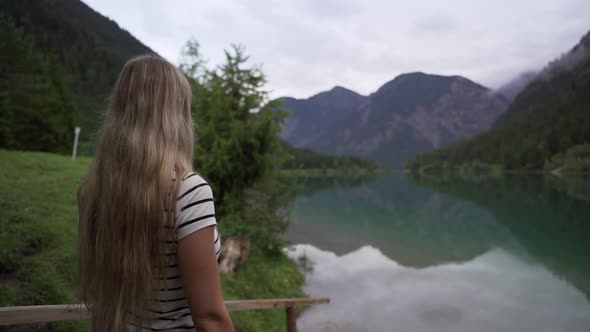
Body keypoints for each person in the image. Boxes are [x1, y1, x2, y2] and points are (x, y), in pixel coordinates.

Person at [77, 54, 235, 332]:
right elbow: (210, 318)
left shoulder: (93, 190)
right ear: (175, 116)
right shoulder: (188, 192)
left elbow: (104, 300)